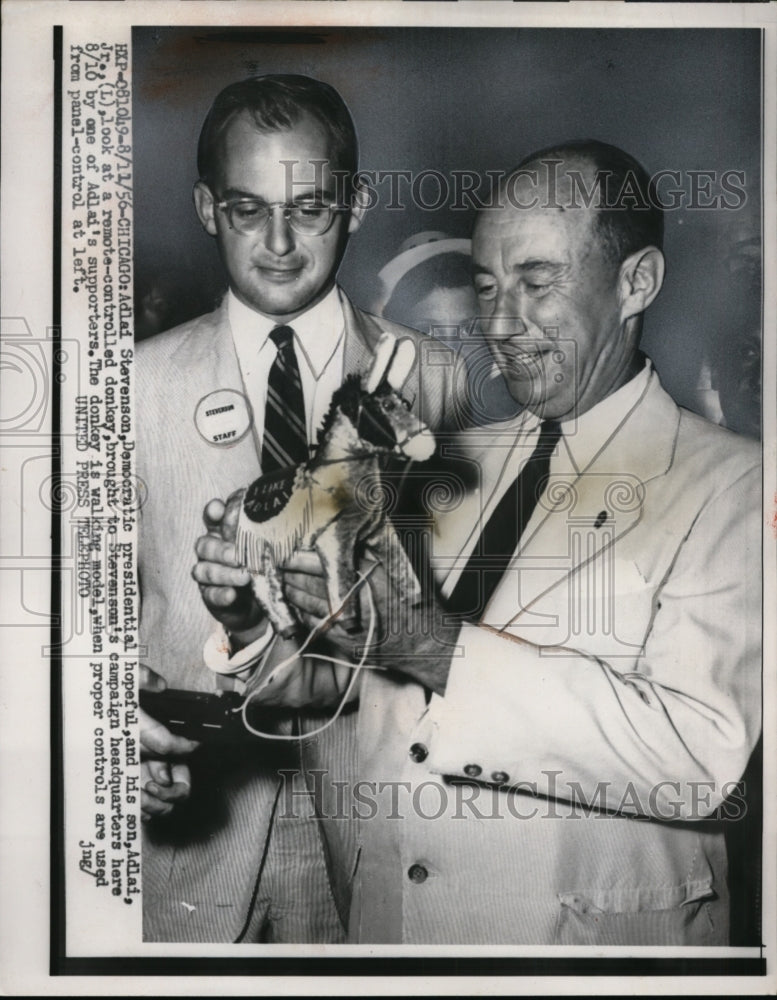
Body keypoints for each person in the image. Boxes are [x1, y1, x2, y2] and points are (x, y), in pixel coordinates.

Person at [272, 140, 761, 943]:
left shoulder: (739, 486)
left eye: (537, 283)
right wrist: (267, 610)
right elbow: (354, 685)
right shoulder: (450, 460)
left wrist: (431, 646)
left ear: (636, 282)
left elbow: (697, 759)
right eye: (489, 288)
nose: (500, 325)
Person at [136, 73, 466, 942]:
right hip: (189, 839)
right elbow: (65, 623)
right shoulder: (128, 387)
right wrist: (103, 725)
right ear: (208, 208)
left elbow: (475, 614)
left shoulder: (434, 379)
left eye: (311, 208)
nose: (279, 243)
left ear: (355, 205)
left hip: (380, 828)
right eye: (248, 210)